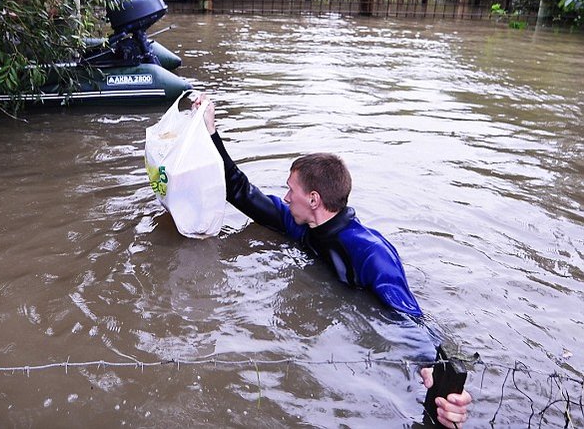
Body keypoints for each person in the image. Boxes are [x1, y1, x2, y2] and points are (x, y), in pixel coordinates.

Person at [192, 93, 473, 428]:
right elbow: (240, 191)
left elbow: (410, 321)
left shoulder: (371, 252)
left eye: (290, 190)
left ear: (313, 199)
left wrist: (436, 373)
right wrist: (210, 133)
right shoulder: (301, 224)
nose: (285, 197)